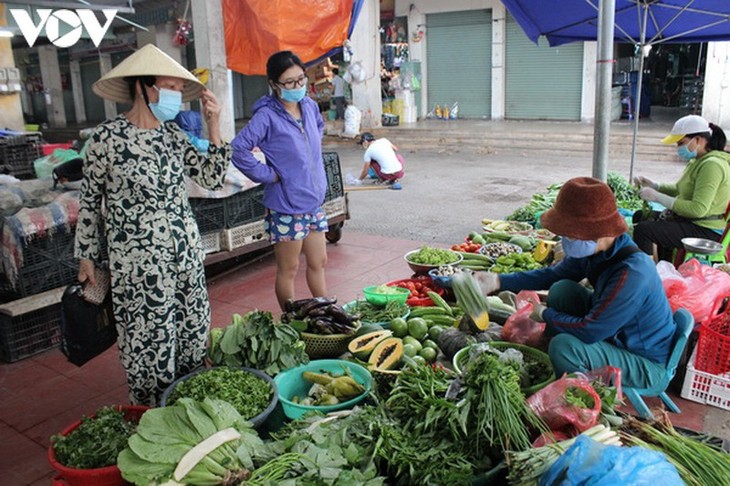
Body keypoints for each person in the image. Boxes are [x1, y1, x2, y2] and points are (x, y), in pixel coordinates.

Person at [75, 44, 229, 406]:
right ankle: (152, 416)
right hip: (139, 269)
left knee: (192, 334)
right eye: (169, 87)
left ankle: (188, 410)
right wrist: (86, 257)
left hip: (186, 259)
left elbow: (212, 176)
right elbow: (88, 203)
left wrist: (214, 125)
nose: (176, 96)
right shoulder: (106, 139)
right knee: (150, 344)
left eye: (179, 88)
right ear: (143, 86)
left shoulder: (172, 136)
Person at [476, 177, 676, 389]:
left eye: (569, 235)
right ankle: (567, 360)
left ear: (597, 233)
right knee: (563, 290)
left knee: (563, 346)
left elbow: (592, 330)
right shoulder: (599, 251)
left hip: (645, 362)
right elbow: (550, 275)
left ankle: (572, 390)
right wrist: (498, 280)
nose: (565, 240)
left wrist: (544, 314)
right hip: (617, 334)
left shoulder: (632, 273)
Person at [231, 51, 329, 311]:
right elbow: (238, 149)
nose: (298, 87)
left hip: (313, 201)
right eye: (289, 82)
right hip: (286, 206)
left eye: (301, 79)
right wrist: (270, 174)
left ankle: (328, 311)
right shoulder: (266, 117)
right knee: (290, 268)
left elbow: (318, 127)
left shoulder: (309, 106)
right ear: (274, 84)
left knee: (319, 262)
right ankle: (290, 321)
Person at [633, 115, 730, 262]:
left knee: (644, 230)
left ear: (698, 140)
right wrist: (654, 186)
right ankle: (663, 265)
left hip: (706, 229)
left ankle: (648, 276)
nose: (678, 147)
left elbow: (698, 209)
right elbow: (680, 189)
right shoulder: (697, 161)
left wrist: (657, 197)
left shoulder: (712, 165)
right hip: (692, 222)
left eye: (681, 143)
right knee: (641, 216)